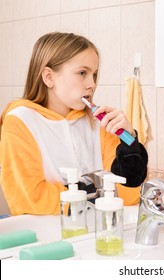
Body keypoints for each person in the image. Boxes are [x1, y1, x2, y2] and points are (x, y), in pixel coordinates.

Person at [0, 32, 148, 215]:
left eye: (94, 74)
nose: (92, 84)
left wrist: (130, 143)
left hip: (98, 232)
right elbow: (33, 200)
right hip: (48, 237)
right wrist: (103, 194)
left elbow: (130, 191)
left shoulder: (98, 122)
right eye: (82, 73)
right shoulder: (20, 121)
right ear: (49, 77)